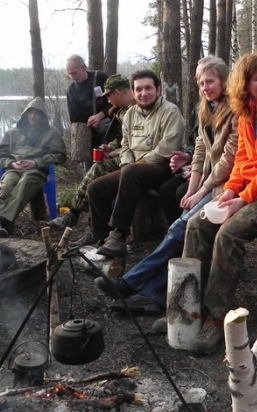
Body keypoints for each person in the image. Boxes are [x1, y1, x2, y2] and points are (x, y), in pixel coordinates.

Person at [179, 51, 257, 356]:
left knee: (228, 233)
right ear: (244, 85)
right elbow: (243, 160)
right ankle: (184, 309)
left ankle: (214, 318)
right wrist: (230, 190)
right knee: (196, 223)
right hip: (248, 189)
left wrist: (243, 198)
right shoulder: (247, 114)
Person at [94, 56, 238, 317]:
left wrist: (201, 191)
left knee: (181, 227)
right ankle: (152, 292)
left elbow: (229, 159)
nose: (205, 87)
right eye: (201, 83)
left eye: (211, 81)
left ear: (225, 82)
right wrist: (194, 188)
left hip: (229, 185)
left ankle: (132, 282)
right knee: (182, 227)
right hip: (210, 181)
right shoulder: (208, 108)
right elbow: (200, 152)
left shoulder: (235, 111)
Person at [74, 70, 185, 276]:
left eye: (148, 88)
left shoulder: (170, 112)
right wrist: (126, 164)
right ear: (133, 93)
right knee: (96, 187)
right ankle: (105, 246)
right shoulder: (131, 114)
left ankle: (118, 233)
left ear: (158, 90)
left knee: (132, 172)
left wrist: (134, 166)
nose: (144, 93)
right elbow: (125, 146)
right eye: (139, 89)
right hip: (133, 170)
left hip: (163, 167)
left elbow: (167, 148)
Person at [48, 75, 135, 230]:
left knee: (98, 169)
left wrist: (116, 153)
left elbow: (136, 144)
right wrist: (110, 147)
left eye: (108, 96)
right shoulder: (121, 111)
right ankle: (92, 225)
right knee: (97, 179)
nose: (108, 101)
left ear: (117, 93)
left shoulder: (135, 111)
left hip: (137, 158)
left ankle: (74, 213)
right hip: (125, 154)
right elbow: (122, 139)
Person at [0, 97, 66, 238]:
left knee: (25, 182)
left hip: (37, 170)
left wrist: (36, 163)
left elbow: (59, 156)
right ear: (25, 114)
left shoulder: (52, 133)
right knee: (8, 184)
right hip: (14, 168)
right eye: (30, 113)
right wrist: (11, 164)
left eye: (37, 113)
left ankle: (0, 221)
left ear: (43, 115)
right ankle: (6, 228)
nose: (33, 116)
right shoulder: (13, 133)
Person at [65, 55, 110, 169]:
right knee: (90, 170)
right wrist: (78, 146)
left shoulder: (100, 77)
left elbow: (116, 102)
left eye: (74, 73)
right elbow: (75, 121)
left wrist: (100, 115)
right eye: (69, 74)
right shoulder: (71, 90)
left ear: (84, 67)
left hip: (109, 130)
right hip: (89, 135)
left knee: (108, 166)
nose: (72, 77)